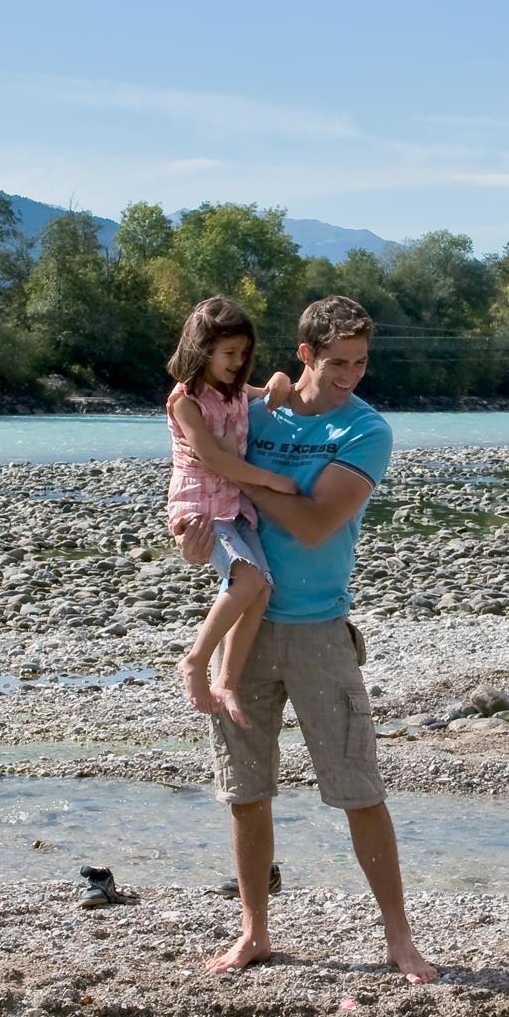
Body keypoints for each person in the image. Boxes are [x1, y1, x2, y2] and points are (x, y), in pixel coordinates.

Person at [172, 295, 436, 985]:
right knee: (246, 791)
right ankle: (254, 931)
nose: (351, 375)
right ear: (305, 356)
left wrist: (244, 489)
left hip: (321, 629)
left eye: (361, 363)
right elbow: (201, 487)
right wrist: (197, 537)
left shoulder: (366, 430)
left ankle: (399, 938)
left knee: (359, 788)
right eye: (338, 362)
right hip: (247, 631)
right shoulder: (251, 413)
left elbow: (318, 526)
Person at [164, 295, 296, 724]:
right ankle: (195, 661)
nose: (238, 363)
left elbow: (272, 392)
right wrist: (272, 481)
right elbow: (213, 458)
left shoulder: (235, 391)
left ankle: (227, 682)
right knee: (247, 580)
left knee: (262, 590)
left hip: (235, 507)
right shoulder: (186, 399)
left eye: (244, 354)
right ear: (201, 350)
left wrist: (278, 377)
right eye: (229, 354)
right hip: (202, 507)